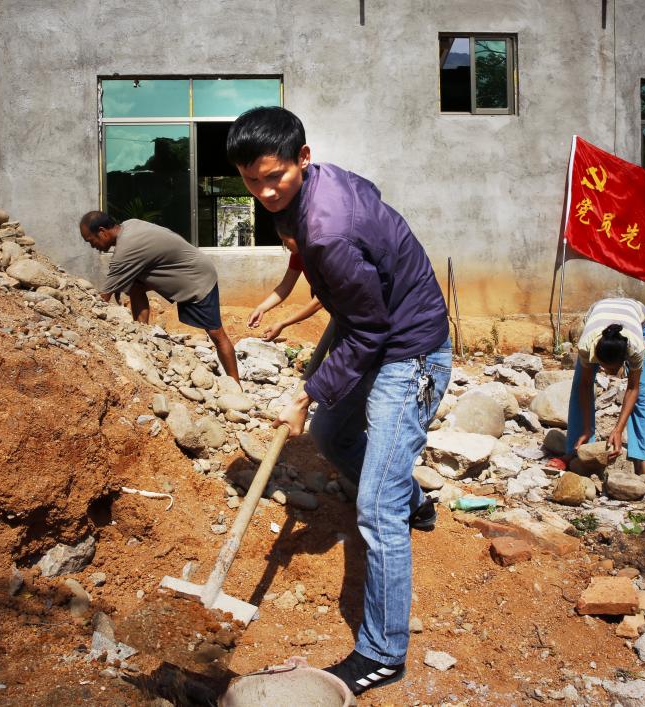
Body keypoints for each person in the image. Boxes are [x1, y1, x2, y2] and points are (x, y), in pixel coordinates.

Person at [226, 106, 451, 697]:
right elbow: (358, 304)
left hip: (410, 351)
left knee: (376, 508)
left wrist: (308, 393)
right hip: (373, 330)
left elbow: (371, 330)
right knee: (331, 438)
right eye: (251, 181)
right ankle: (417, 501)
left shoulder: (328, 229)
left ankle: (382, 653)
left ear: (303, 158)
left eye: (275, 177)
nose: (265, 192)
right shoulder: (318, 188)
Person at [78, 211, 240, 382]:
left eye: (91, 240)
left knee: (216, 334)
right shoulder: (130, 225)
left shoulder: (126, 249)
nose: (92, 246)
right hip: (186, 269)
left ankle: (236, 385)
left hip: (197, 277)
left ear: (102, 231)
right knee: (134, 286)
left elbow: (101, 299)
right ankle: (142, 334)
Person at [553, 297, 645, 477]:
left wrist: (618, 430)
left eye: (613, 369)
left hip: (639, 319)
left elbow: (633, 388)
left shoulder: (636, 348)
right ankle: (575, 450)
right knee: (578, 386)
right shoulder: (587, 346)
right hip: (599, 315)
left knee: (643, 390)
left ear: (624, 359)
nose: (609, 373)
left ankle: (643, 460)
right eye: (603, 367)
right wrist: (587, 428)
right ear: (596, 356)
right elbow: (585, 385)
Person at [247, 248, 323, 341]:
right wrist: (261, 308)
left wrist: (283, 324)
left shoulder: (323, 253)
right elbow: (286, 285)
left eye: (285, 241)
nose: (285, 246)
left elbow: (320, 300)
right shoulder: (298, 253)